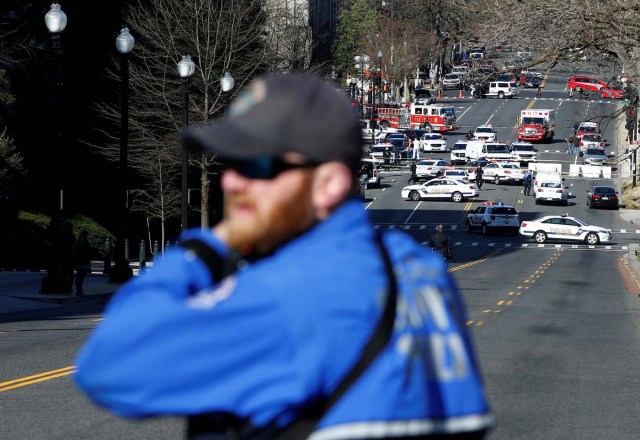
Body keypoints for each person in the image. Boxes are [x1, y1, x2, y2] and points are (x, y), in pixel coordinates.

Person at [74, 73, 493, 440]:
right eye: (231, 162)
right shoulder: (417, 268)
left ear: (327, 183)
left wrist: (205, 248)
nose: (233, 181)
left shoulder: (297, 292)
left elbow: (107, 367)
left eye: (258, 165)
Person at [72, 229, 93, 296]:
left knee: (79, 277)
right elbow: (88, 252)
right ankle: (79, 291)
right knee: (80, 277)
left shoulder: (78, 243)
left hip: (79, 262)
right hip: (84, 261)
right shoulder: (85, 243)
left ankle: (79, 290)